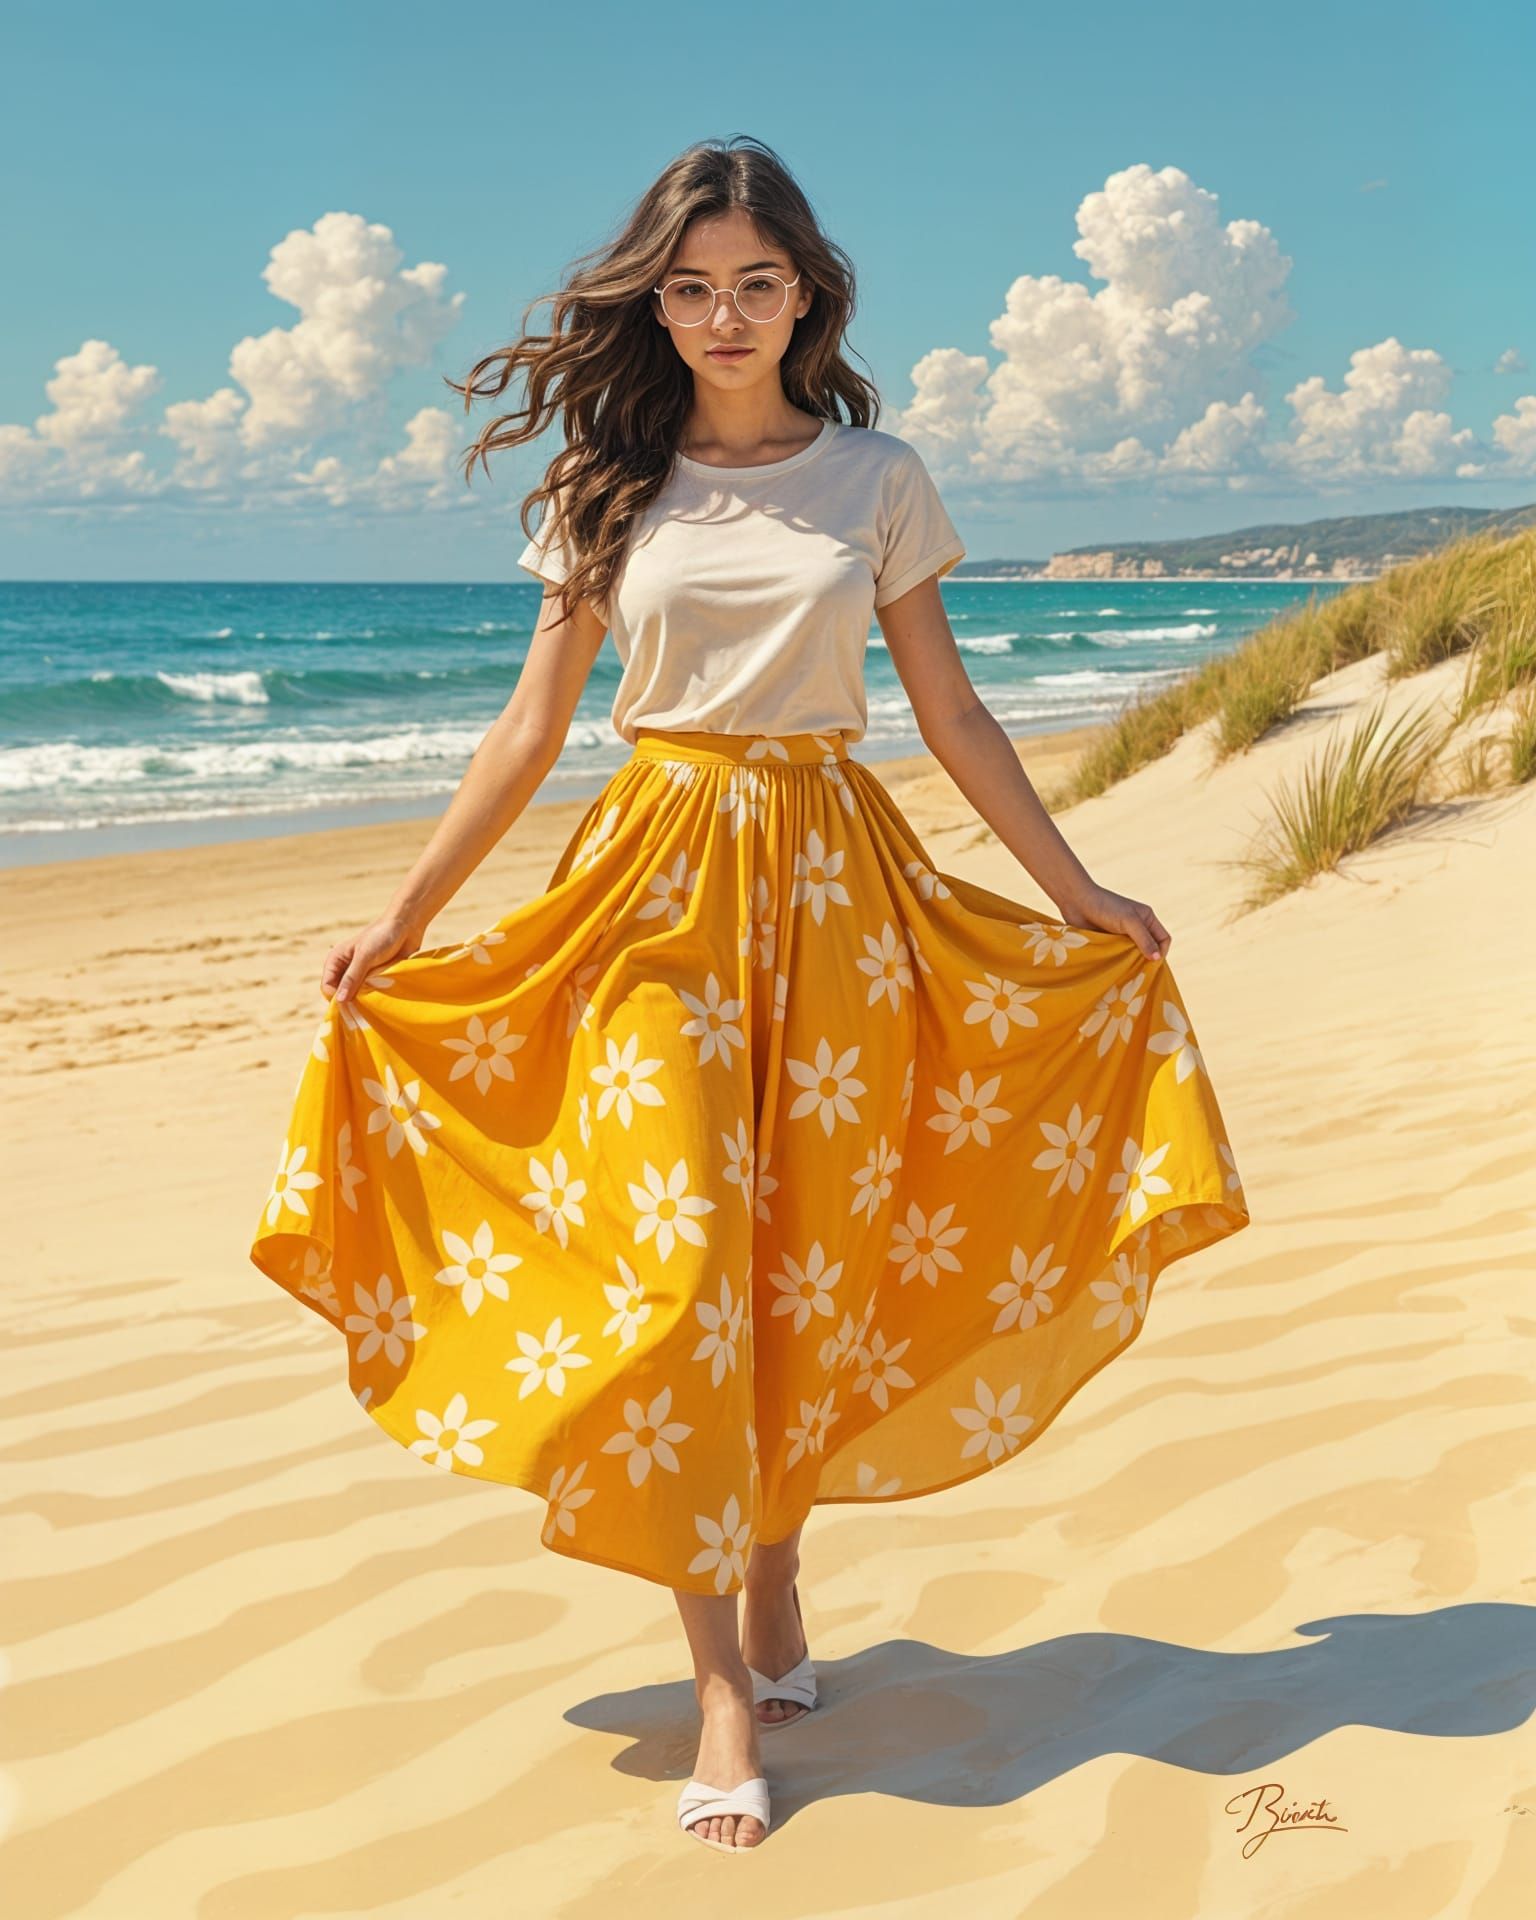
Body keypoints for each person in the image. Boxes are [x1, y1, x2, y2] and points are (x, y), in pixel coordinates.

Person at [250, 134, 1250, 1854]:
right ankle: (724, 1681)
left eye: (757, 284)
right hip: (651, 895)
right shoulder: (603, 483)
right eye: (694, 286)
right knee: (688, 1269)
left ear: (809, 294)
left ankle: (774, 1573)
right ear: (659, 298)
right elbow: (531, 726)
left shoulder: (877, 478)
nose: (723, 315)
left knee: (798, 1259)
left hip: (837, 892)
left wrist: (1074, 893)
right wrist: (404, 921)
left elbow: (949, 715)